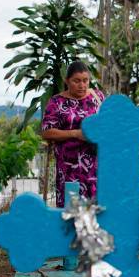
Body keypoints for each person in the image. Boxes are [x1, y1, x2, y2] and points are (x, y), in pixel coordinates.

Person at [41, 61, 104, 208]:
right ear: (67, 81)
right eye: (76, 81)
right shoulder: (56, 102)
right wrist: (75, 133)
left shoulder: (97, 97)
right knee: (71, 212)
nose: (82, 85)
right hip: (69, 170)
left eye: (85, 80)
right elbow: (46, 132)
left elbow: (108, 123)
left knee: (97, 212)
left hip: (96, 167)